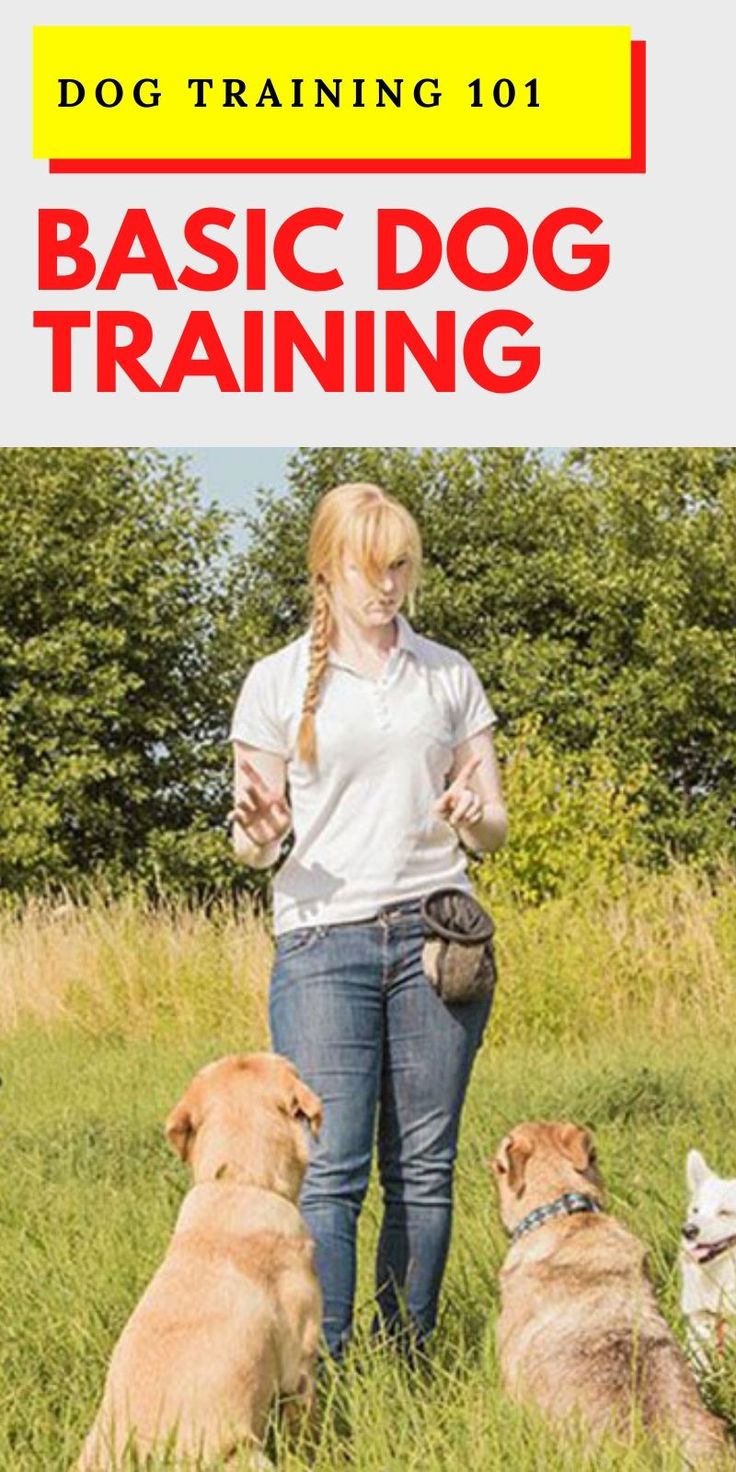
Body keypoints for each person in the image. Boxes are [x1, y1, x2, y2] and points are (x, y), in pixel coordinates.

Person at [229, 482, 507, 1359]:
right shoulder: (274, 683)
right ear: (326, 567)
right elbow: (251, 840)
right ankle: (330, 1370)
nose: (387, 586)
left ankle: (408, 1363)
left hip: (436, 938)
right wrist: (263, 832)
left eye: (400, 567)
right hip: (321, 941)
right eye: (369, 567)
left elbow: (493, 826)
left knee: (423, 1172)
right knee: (331, 1175)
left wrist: (470, 812)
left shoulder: (447, 674)